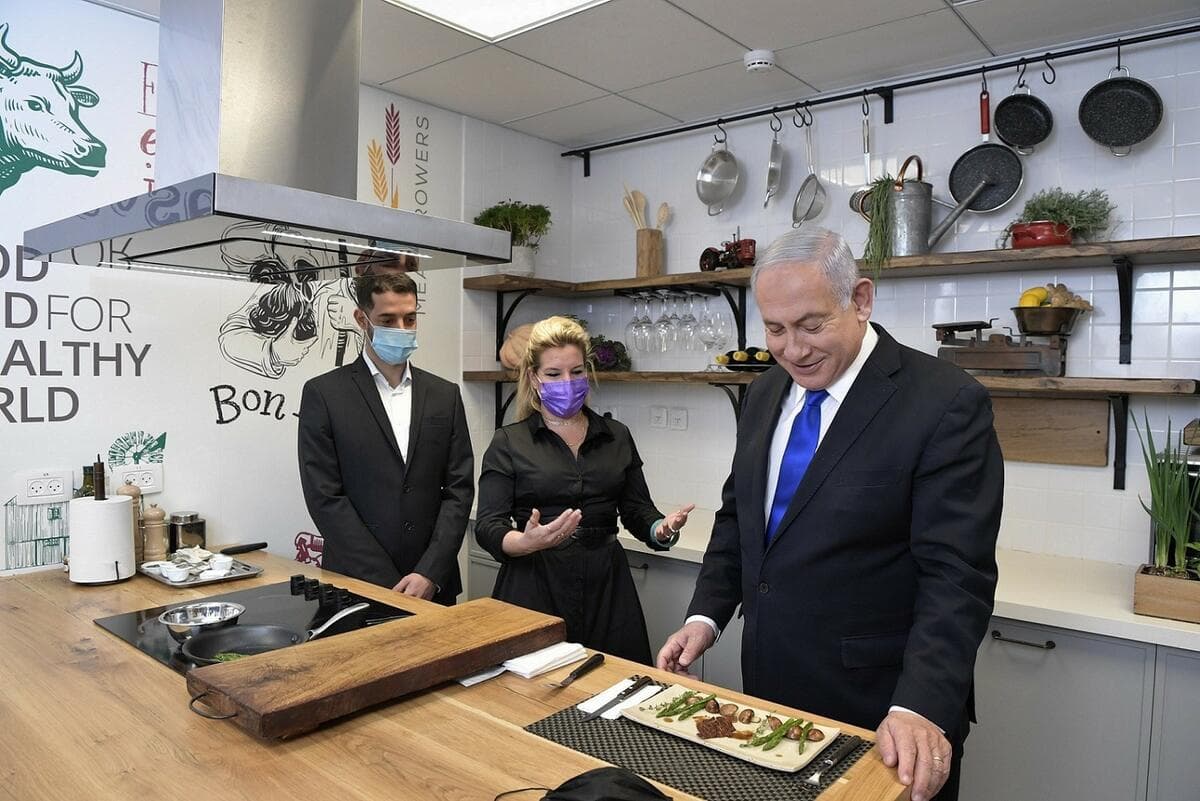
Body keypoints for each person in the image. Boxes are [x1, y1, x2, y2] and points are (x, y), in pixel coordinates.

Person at [656, 228, 1002, 801]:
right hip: (769, 694)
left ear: (861, 299)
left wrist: (920, 705)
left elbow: (956, 576)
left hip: (883, 709)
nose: (793, 349)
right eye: (775, 330)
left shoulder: (944, 402)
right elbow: (740, 519)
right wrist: (705, 618)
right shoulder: (765, 393)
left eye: (812, 325)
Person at [475, 316, 694, 664]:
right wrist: (523, 541)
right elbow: (488, 525)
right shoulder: (509, 443)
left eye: (576, 372)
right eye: (554, 374)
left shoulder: (616, 436)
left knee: (616, 693)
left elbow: (638, 511)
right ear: (534, 377)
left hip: (608, 587)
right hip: (534, 584)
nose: (568, 382)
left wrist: (660, 529)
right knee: (532, 697)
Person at [298, 271, 473, 604]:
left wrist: (429, 573)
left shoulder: (444, 395)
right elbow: (325, 497)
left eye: (410, 319)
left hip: (433, 587)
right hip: (355, 584)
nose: (402, 330)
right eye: (388, 319)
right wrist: (385, 582)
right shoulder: (324, 394)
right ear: (362, 319)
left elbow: (459, 490)